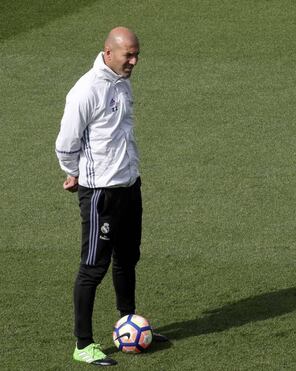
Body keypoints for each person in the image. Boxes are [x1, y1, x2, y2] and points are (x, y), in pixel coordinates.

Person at [56, 26, 166, 366]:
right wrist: (74, 173)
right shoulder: (86, 90)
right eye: (128, 55)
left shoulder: (122, 81)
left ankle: (127, 322)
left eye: (136, 55)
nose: (134, 61)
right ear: (108, 52)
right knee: (93, 267)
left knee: (127, 258)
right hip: (101, 192)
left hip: (129, 187)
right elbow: (66, 142)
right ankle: (83, 344)